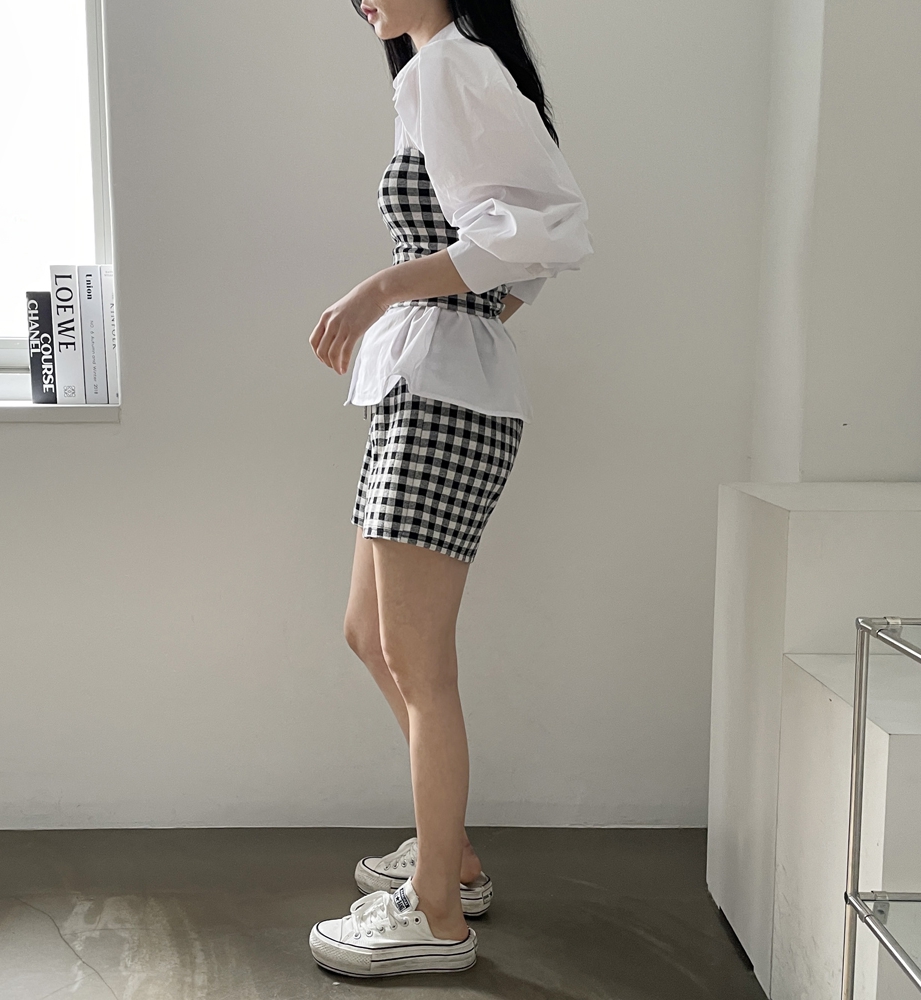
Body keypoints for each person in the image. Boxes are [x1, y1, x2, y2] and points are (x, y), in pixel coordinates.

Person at [307, 0, 591, 978]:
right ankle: (449, 853)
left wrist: (381, 289)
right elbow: (522, 236)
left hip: (443, 400)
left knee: (420, 663)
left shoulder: (450, 65)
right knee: (368, 631)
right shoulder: (439, 67)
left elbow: (541, 229)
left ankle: (435, 911)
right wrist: (457, 305)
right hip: (424, 388)